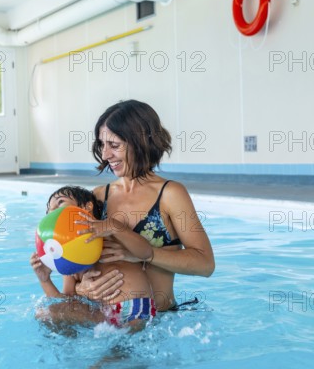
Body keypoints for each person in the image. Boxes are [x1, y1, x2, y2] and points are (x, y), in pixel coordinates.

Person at [73, 100, 215, 311]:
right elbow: (77, 260)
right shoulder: (100, 196)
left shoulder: (169, 194)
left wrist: (145, 254)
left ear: (140, 143)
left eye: (114, 145)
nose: (105, 155)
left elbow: (205, 264)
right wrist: (81, 289)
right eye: (102, 145)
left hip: (157, 323)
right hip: (106, 320)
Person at [31, 185, 156, 328]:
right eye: (48, 210)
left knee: (119, 346)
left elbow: (147, 253)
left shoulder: (111, 236)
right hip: (102, 315)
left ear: (86, 207)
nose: (52, 211)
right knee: (46, 313)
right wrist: (45, 280)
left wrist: (114, 226)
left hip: (134, 308)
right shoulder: (69, 255)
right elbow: (66, 303)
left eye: (60, 203)